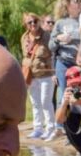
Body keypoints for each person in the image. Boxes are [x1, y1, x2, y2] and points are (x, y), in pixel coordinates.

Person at [48, 0, 81, 141]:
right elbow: (51, 46)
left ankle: (77, 127)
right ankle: (60, 127)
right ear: (67, 4)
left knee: (80, 94)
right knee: (64, 94)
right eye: (76, 0)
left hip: (80, 64)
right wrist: (58, 39)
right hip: (63, 62)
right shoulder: (60, 23)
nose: (79, 2)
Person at [21, 12, 55, 140]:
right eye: (30, 22)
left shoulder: (46, 36)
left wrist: (53, 72)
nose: (33, 24)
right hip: (31, 75)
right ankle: (38, 128)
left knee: (46, 102)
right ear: (26, 24)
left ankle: (50, 128)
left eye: (35, 21)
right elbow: (25, 55)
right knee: (35, 103)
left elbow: (53, 54)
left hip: (46, 74)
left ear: (39, 21)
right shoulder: (24, 37)